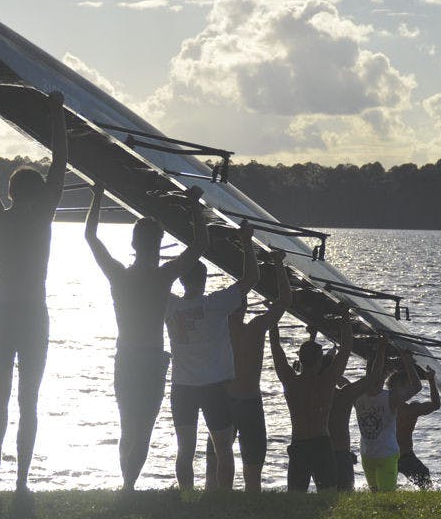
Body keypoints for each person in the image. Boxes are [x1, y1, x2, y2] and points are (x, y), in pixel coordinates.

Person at [0, 85, 68, 494]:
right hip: (30, 314)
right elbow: (62, 161)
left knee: (3, 396)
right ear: (38, 193)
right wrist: (56, 112)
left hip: (5, 311)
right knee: (26, 400)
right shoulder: (42, 216)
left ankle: (0, 468)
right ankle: (18, 477)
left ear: (12, 193)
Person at [84, 183, 209, 491]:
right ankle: (128, 484)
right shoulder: (163, 276)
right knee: (142, 428)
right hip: (151, 360)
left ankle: (127, 484)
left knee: (129, 427)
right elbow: (200, 244)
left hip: (128, 357)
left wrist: (98, 195)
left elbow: (91, 237)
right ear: (159, 243)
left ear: (134, 242)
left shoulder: (120, 275)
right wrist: (194, 204)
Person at [166, 221, 259, 491]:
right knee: (223, 449)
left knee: (185, 449)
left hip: (182, 387)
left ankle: (185, 495)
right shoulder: (216, 304)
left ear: (182, 278)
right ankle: (224, 496)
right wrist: (246, 243)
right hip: (214, 387)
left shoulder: (168, 304)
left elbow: (164, 281)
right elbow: (251, 279)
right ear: (203, 280)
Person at [204, 249, 292, 492]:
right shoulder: (254, 328)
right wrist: (278, 265)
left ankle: (219, 502)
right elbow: (284, 301)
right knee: (249, 471)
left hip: (225, 400)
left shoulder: (218, 330)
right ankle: (240, 504)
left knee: (219, 466)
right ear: (242, 309)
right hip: (245, 401)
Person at [270, 311, 353, 492]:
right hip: (321, 444)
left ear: (300, 360)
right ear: (319, 362)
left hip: (299, 444)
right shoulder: (326, 382)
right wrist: (345, 316)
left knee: (296, 496)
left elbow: (276, 348)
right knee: (328, 494)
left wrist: (273, 316)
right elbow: (346, 349)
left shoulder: (291, 382)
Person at [353, 348, 422, 492]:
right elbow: (416, 386)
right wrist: (407, 362)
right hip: (370, 455)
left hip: (383, 455)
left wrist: (407, 363)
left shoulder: (386, 396)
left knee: (384, 496)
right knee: (378, 495)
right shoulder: (360, 394)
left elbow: (416, 387)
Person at [328, 342, 387, 491]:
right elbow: (373, 377)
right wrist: (381, 348)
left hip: (320, 451)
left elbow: (309, 369)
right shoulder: (344, 395)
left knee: (325, 492)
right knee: (345, 494)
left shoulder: (312, 389)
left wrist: (313, 337)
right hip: (340, 453)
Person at [397, 366, 441, 489]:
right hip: (403, 455)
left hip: (385, 453)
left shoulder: (383, 405)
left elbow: (435, 405)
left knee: (381, 487)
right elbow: (435, 405)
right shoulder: (411, 409)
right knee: (425, 482)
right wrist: (431, 380)